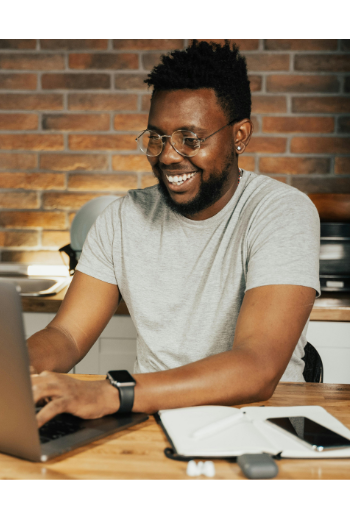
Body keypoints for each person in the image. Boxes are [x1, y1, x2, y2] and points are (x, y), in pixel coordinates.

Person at [27, 39, 320, 428]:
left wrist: (112, 393)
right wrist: (7, 366)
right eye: (157, 137)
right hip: (149, 419)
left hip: (259, 423)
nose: (167, 156)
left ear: (240, 135)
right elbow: (66, 334)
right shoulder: (122, 219)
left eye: (190, 139)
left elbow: (258, 367)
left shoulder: (281, 212)